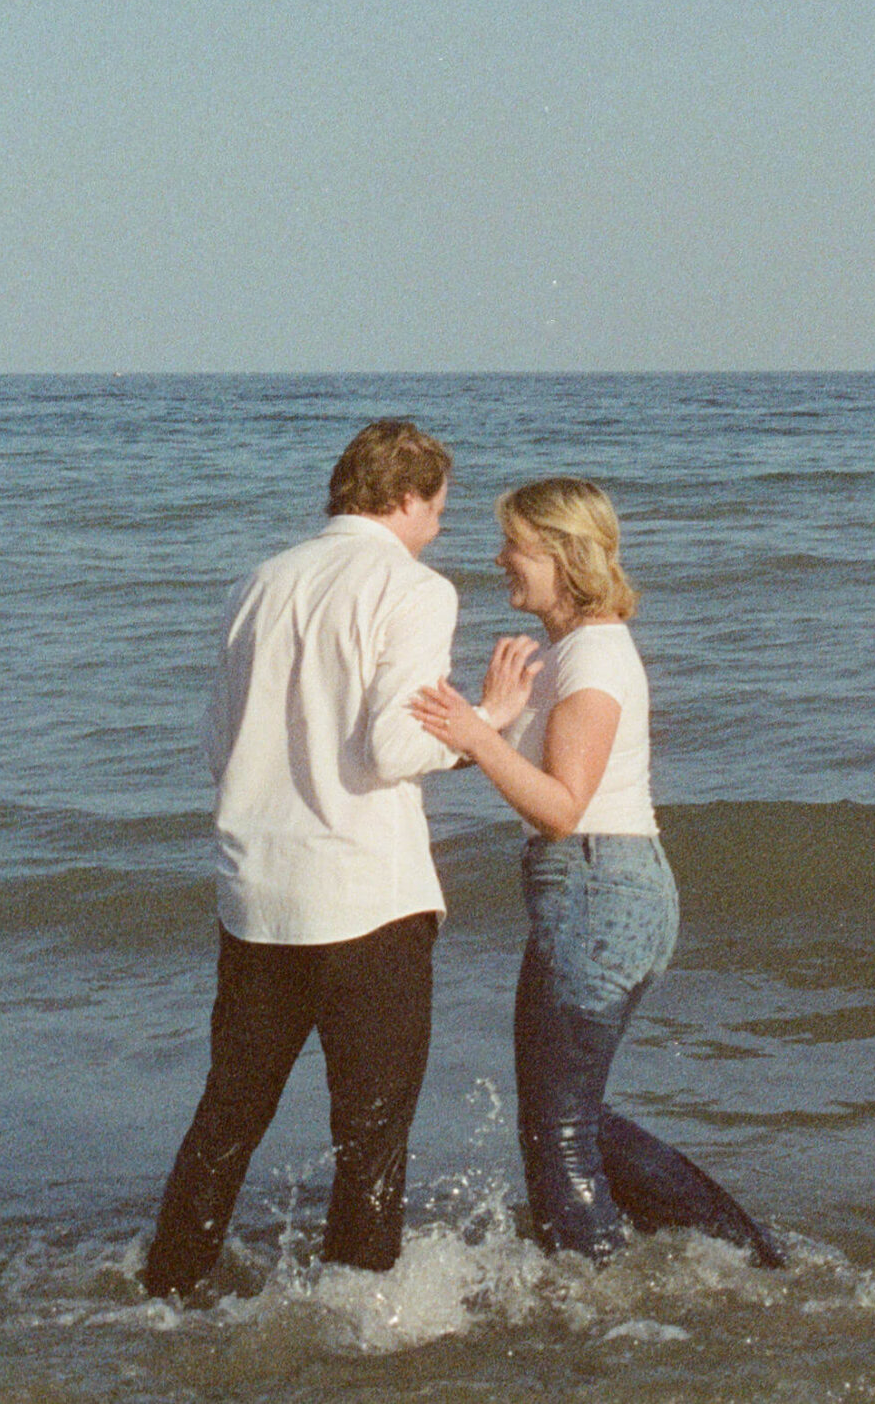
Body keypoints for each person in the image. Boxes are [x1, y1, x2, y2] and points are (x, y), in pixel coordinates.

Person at [143, 419, 524, 1299]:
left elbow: (215, 738)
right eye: (436, 507)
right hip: (364, 898)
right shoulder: (413, 586)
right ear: (403, 498)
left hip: (257, 894)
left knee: (228, 1116)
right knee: (372, 1130)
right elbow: (395, 749)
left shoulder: (259, 580)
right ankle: (358, 1318)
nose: (438, 524)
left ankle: (167, 1290)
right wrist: (490, 722)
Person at [411, 478, 782, 1267]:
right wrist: (495, 719)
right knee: (571, 1115)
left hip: (595, 886)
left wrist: (481, 736)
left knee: (559, 1128)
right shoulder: (575, 652)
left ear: (562, 556)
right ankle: (734, 1252)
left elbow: (560, 808)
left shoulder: (593, 657)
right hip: (608, 889)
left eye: (515, 543)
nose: (500, 557)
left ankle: (590, 1288)